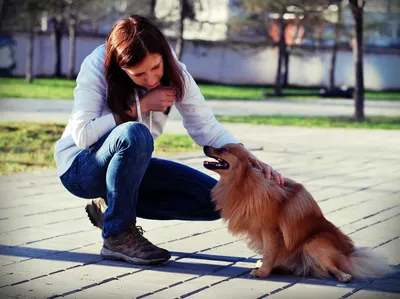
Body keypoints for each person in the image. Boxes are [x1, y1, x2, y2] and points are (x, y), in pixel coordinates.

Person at [54, 15, 284, 266]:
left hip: (128, 167)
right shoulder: (97, 65)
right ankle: (117, 233)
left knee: (215, 201)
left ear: (163, 55)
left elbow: (206, 127)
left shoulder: (176, 72)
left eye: (155, 67)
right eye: (138, 74)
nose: (151, 79)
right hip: (81, 169)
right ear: (122, 68)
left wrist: (250, 160)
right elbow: (83, 134)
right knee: (135, 133)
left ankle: (112, 208)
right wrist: (138, 108)